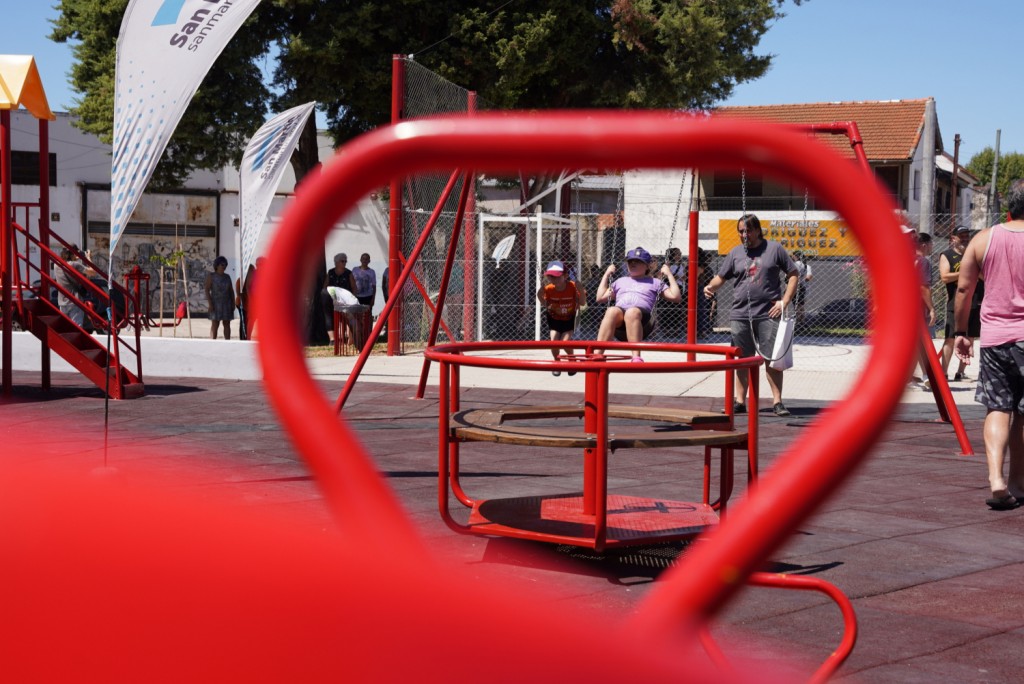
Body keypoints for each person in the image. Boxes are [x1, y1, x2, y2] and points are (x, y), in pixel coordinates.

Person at [953, 178, 1024, 510]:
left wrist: (961, 332)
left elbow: (965, 290)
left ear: (1008, 207)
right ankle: (1017, 482)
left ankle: (996, 479)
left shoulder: (983, 239)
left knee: (999, 407)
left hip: (995, 339)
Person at [703, 214, 798, 417]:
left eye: (747, 230)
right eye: (740, 231)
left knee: (771, 359)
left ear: (757, 230)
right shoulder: (735, 253)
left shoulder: (774, 249)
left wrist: (785, 301)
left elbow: (793, 274)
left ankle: (777, 402)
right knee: (742, 359)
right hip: (740, 314)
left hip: (768, 313)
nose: (744, 234)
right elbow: (721, 278)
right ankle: (739, 401)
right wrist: (710, 287)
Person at [595, 246, 681, 362]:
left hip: (643, 321)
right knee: (611, 310)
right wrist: (606, 274)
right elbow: (600, 298)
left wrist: (669, 275)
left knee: (632, 312)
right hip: (621, 324)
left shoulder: (655, 282)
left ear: (647, 265)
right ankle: (597, 355)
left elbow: (676, 297)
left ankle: (636, 356)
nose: (633, 264)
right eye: (630, 262)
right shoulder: (620, 281)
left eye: (638, 262)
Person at [939, 227, 982, 382]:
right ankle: (943, 373)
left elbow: (983, 275)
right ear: (953, 238)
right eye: (961, 236)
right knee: (951, 338)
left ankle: (960, 372)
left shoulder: (975, 255)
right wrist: (966, 271)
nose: (965, 238)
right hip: (955, 303)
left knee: (970, 337)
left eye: (966, 236)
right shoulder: (947, 255)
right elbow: (944, 277)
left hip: (975, 301)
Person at [537, 260, 587, 376]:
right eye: (551, 276)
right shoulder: (548, 289)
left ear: (565, 276)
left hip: (569, 319)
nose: (554, 279)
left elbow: (583, 302)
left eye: (557, 276)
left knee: (565, 342)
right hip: (554, 318)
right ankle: (557, 362)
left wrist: (580, 290)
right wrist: (543, 300)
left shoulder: (573, 287)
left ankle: (571, 360)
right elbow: (541, 298)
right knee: (554, 341)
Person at [912, 231, 937, 390]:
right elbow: (923, 287)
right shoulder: (923, 262)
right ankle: (927, 374)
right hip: (917, 307)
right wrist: (931, 308)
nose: (931, 247)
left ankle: (922, 375)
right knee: (922, 341)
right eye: (930, 244)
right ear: (924, 245)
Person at [52, 245, 93, 328]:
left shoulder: (56, 265)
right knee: (76, 329)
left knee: (65, 329)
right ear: (72, 254)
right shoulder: (75, 265)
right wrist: (88, 257)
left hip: (62, 302)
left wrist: (75, 258)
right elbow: (93, 272)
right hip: (75, 302)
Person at [204, 256, 235, 340]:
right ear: (217, 265)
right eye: (222, 264)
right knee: (215, 323)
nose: (224, 266)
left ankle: (228, 342)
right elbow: (207, 289)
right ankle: (212, 342)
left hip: (226, 303)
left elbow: (231, 291)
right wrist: (210, 303)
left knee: (227, 323)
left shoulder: (227, 277)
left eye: (225, 265)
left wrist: (233, 303)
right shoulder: (212, 276)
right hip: (215, 303)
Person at [792, 250, 813, 326]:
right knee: (801, 305)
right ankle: (802, 321)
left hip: (796, 287)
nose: (792, 257)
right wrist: (803, 279)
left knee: (797, 305)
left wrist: (798, 280)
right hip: (804, 288)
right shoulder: (807, 266)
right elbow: (809, 276)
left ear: (796, 256)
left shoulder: (794, 265)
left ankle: (798, 321)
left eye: (793, 255)